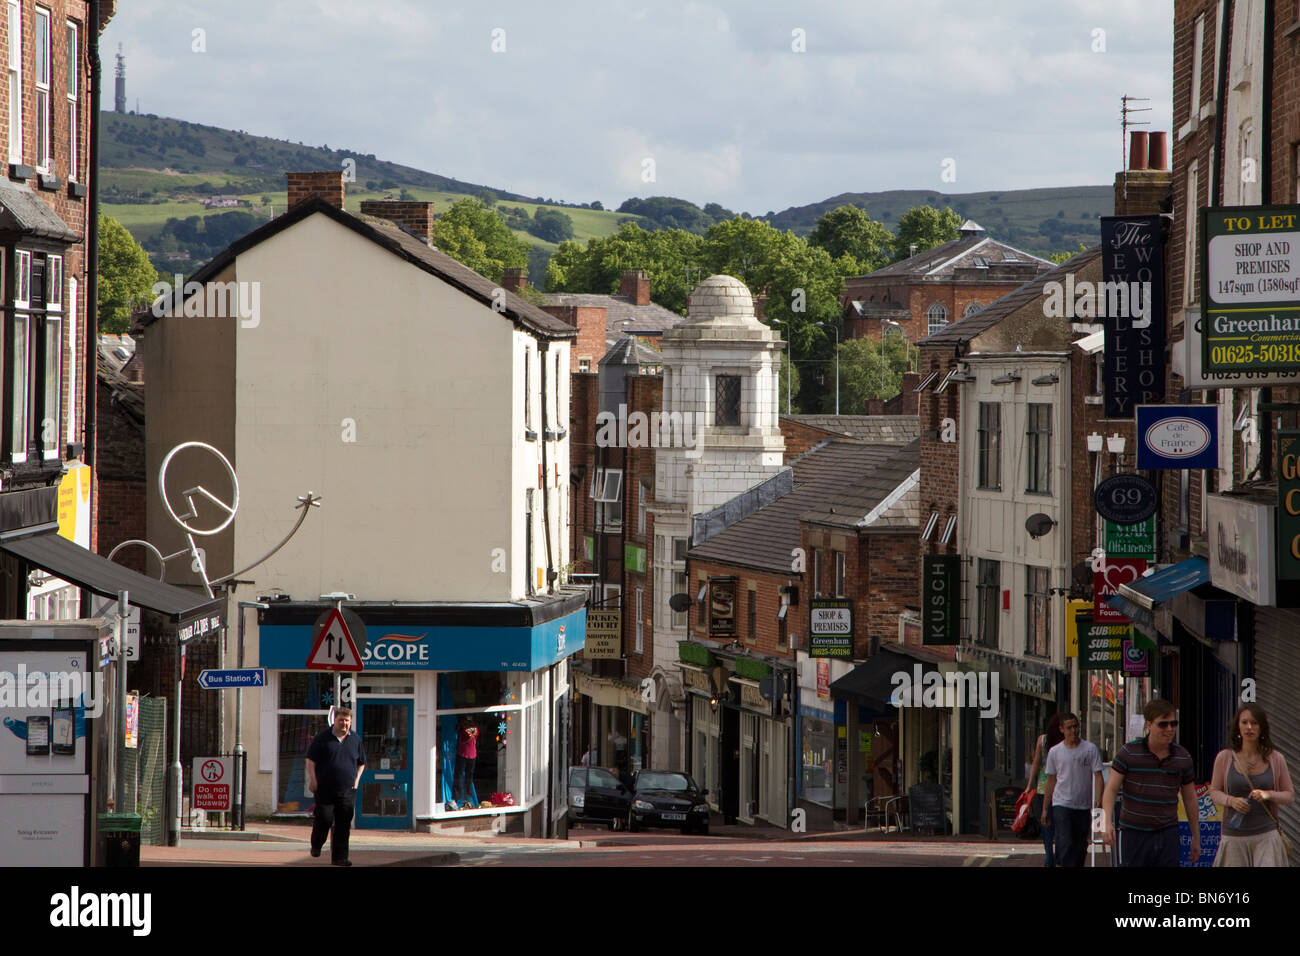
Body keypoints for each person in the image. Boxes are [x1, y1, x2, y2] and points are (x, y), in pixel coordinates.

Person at [1101, 699, 1201, 867]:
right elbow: (1111, 789)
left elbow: (1190, 798)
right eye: (1163, 724)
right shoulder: (1128, 753)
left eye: (1173, 723)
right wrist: (1106, 823)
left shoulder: (1182, 757)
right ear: (1149, 724)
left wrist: (1196, 837)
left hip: (1167, 832)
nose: (1169, 729)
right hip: (1134, 832)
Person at [1209, 703, 1294, 867]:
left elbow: (1289, 795)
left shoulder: (1276, 758)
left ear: (1262, 727)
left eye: (1254, 723)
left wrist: (1268, 794)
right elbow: (1214, 791)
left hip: (1266, 836)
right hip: (1233, 837)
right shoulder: (1224, 757)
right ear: (1237, 726)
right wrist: (1231, 800)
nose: (1249, 727)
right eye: (1244, 722)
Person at [1039, 713, 1104, 867]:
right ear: (1062, 729)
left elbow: (1098, 776)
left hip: (1083, 805)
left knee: (1081, 844)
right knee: (1065, 840)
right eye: (1069, 728)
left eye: (1076, 726)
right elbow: (1051, 780)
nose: (1073, 731)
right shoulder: (1055, 752)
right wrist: (1044, 809)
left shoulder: (1090, 749)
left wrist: (1099, 798)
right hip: (1062, 803)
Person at [306, 707, 366, 866]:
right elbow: (310, 761)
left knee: (343, 824)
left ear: (350, 721)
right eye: (341, 720)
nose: (344, 723)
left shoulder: (355, 739)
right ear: (335, 720)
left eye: (347, 720)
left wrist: (357, 780)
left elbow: (361, 763)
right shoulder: (322, 738)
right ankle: (316, 844)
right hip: (324, 789)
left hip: (347, 790)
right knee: (324, 819)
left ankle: (340, 858)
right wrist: (313, 779)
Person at [1026, 713, 1063, 866]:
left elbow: (1035, 763)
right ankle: (1059, 855)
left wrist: (1030, 784)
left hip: (1043, 787)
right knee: (1061, 824)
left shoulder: (1042, 740)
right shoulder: (1065, 742)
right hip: (1062, 788)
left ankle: (1049, 856)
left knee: (1046, 822)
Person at [453, 716, 479, 809]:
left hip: (463, 754)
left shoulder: (463, 730)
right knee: (468, 777)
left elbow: (463, 736)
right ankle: (467, 798)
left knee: (458, 777)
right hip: (472, 755)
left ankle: (457, 798)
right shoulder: (475, 729)